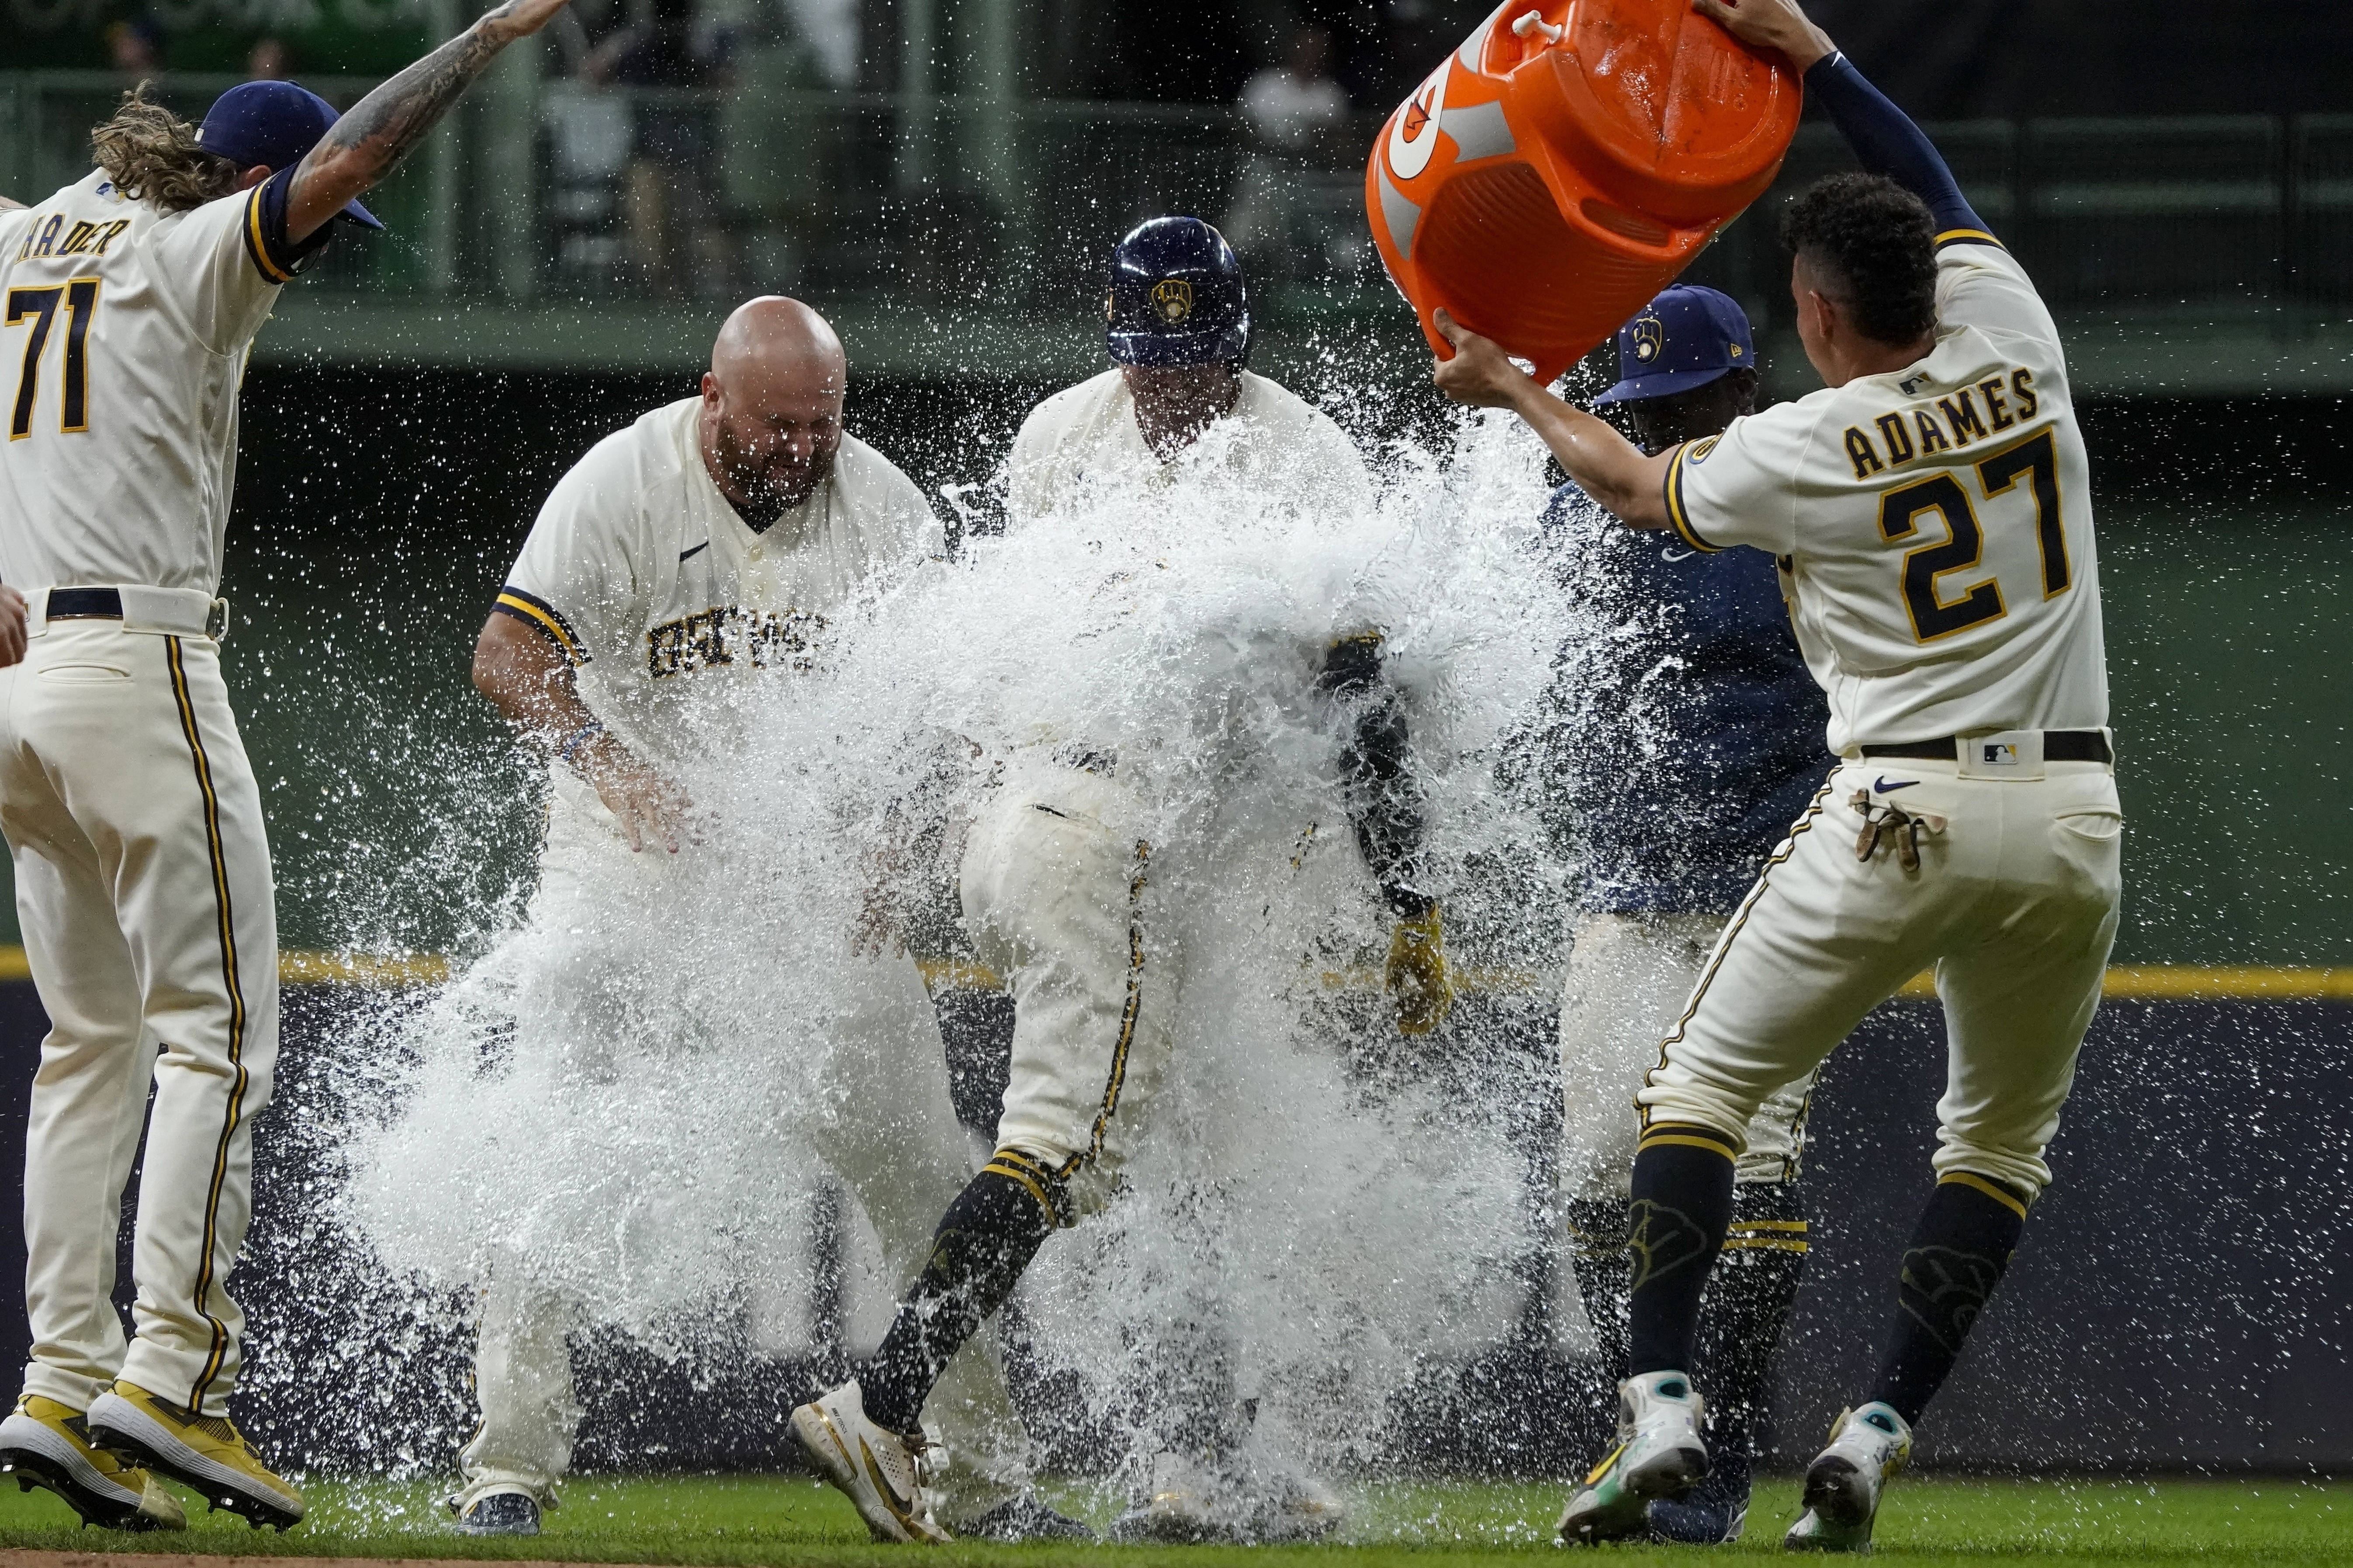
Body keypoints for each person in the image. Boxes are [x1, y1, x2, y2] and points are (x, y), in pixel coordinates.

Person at [1433, 0, 2118, 1550]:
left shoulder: (1806, 445)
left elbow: (1621, 479)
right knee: (1995, 1146)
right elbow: (1931, 183)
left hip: (1899, 808)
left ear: (1812, 319)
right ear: (1935, 280)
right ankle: (1870, 1438)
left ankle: (1660, 1411)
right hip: (2075, 815)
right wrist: (1817, 59)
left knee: (1691, 1091)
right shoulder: (2021, 337)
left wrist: (1515, 388)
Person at [0, 0, 577, 1531]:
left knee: (86, 1047)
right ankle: (175, 1379)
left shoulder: (33, 232)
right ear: (238, 184)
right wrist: (481, 40)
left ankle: (62, 1380)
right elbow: (354, 151)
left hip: (15, 691)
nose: (323, 243)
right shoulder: (199, 253)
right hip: (137, 666)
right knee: (220, 1040)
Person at [790, 217, 1446, 1544]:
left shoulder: (1302, 450)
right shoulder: (1059, 434)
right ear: (1118, 342)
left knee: (1182, 1144)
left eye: (1192, 361)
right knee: (1070, 1146)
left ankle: (1220, 1459)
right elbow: (1342, 693)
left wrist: (1394, 884)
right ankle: (881, 1402)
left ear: (1236, 346)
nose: (1170, 385)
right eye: (1152, 360)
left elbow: (1353, 693)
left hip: (1157, 839)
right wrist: (1414, 897)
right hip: (1098, 827)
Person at [453, 297, 1076, 1543]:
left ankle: (982, 1477)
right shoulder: (621, 480)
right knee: (550, 1147)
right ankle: (506, 1466)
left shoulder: (886, 507)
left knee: (923, 1174)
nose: (798, 449)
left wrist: (895, 859)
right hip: (621, 864)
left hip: (808, 882)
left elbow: (953, 722)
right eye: (775, 424)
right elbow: (505, 658)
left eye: (821, 425)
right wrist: (612, 766)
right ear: (711, 398)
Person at [1540, 284, 1831, 1544]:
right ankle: (1645, 1430)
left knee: (1752, 1170)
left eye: (1680, 406)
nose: (1655, 430)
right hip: (1629, 878)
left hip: (1778, 882)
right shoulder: (1576, 495)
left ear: (1738, 395)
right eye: (1640, 410)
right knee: (1603, 1172)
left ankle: (1711, 1461)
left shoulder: (1797, 497)